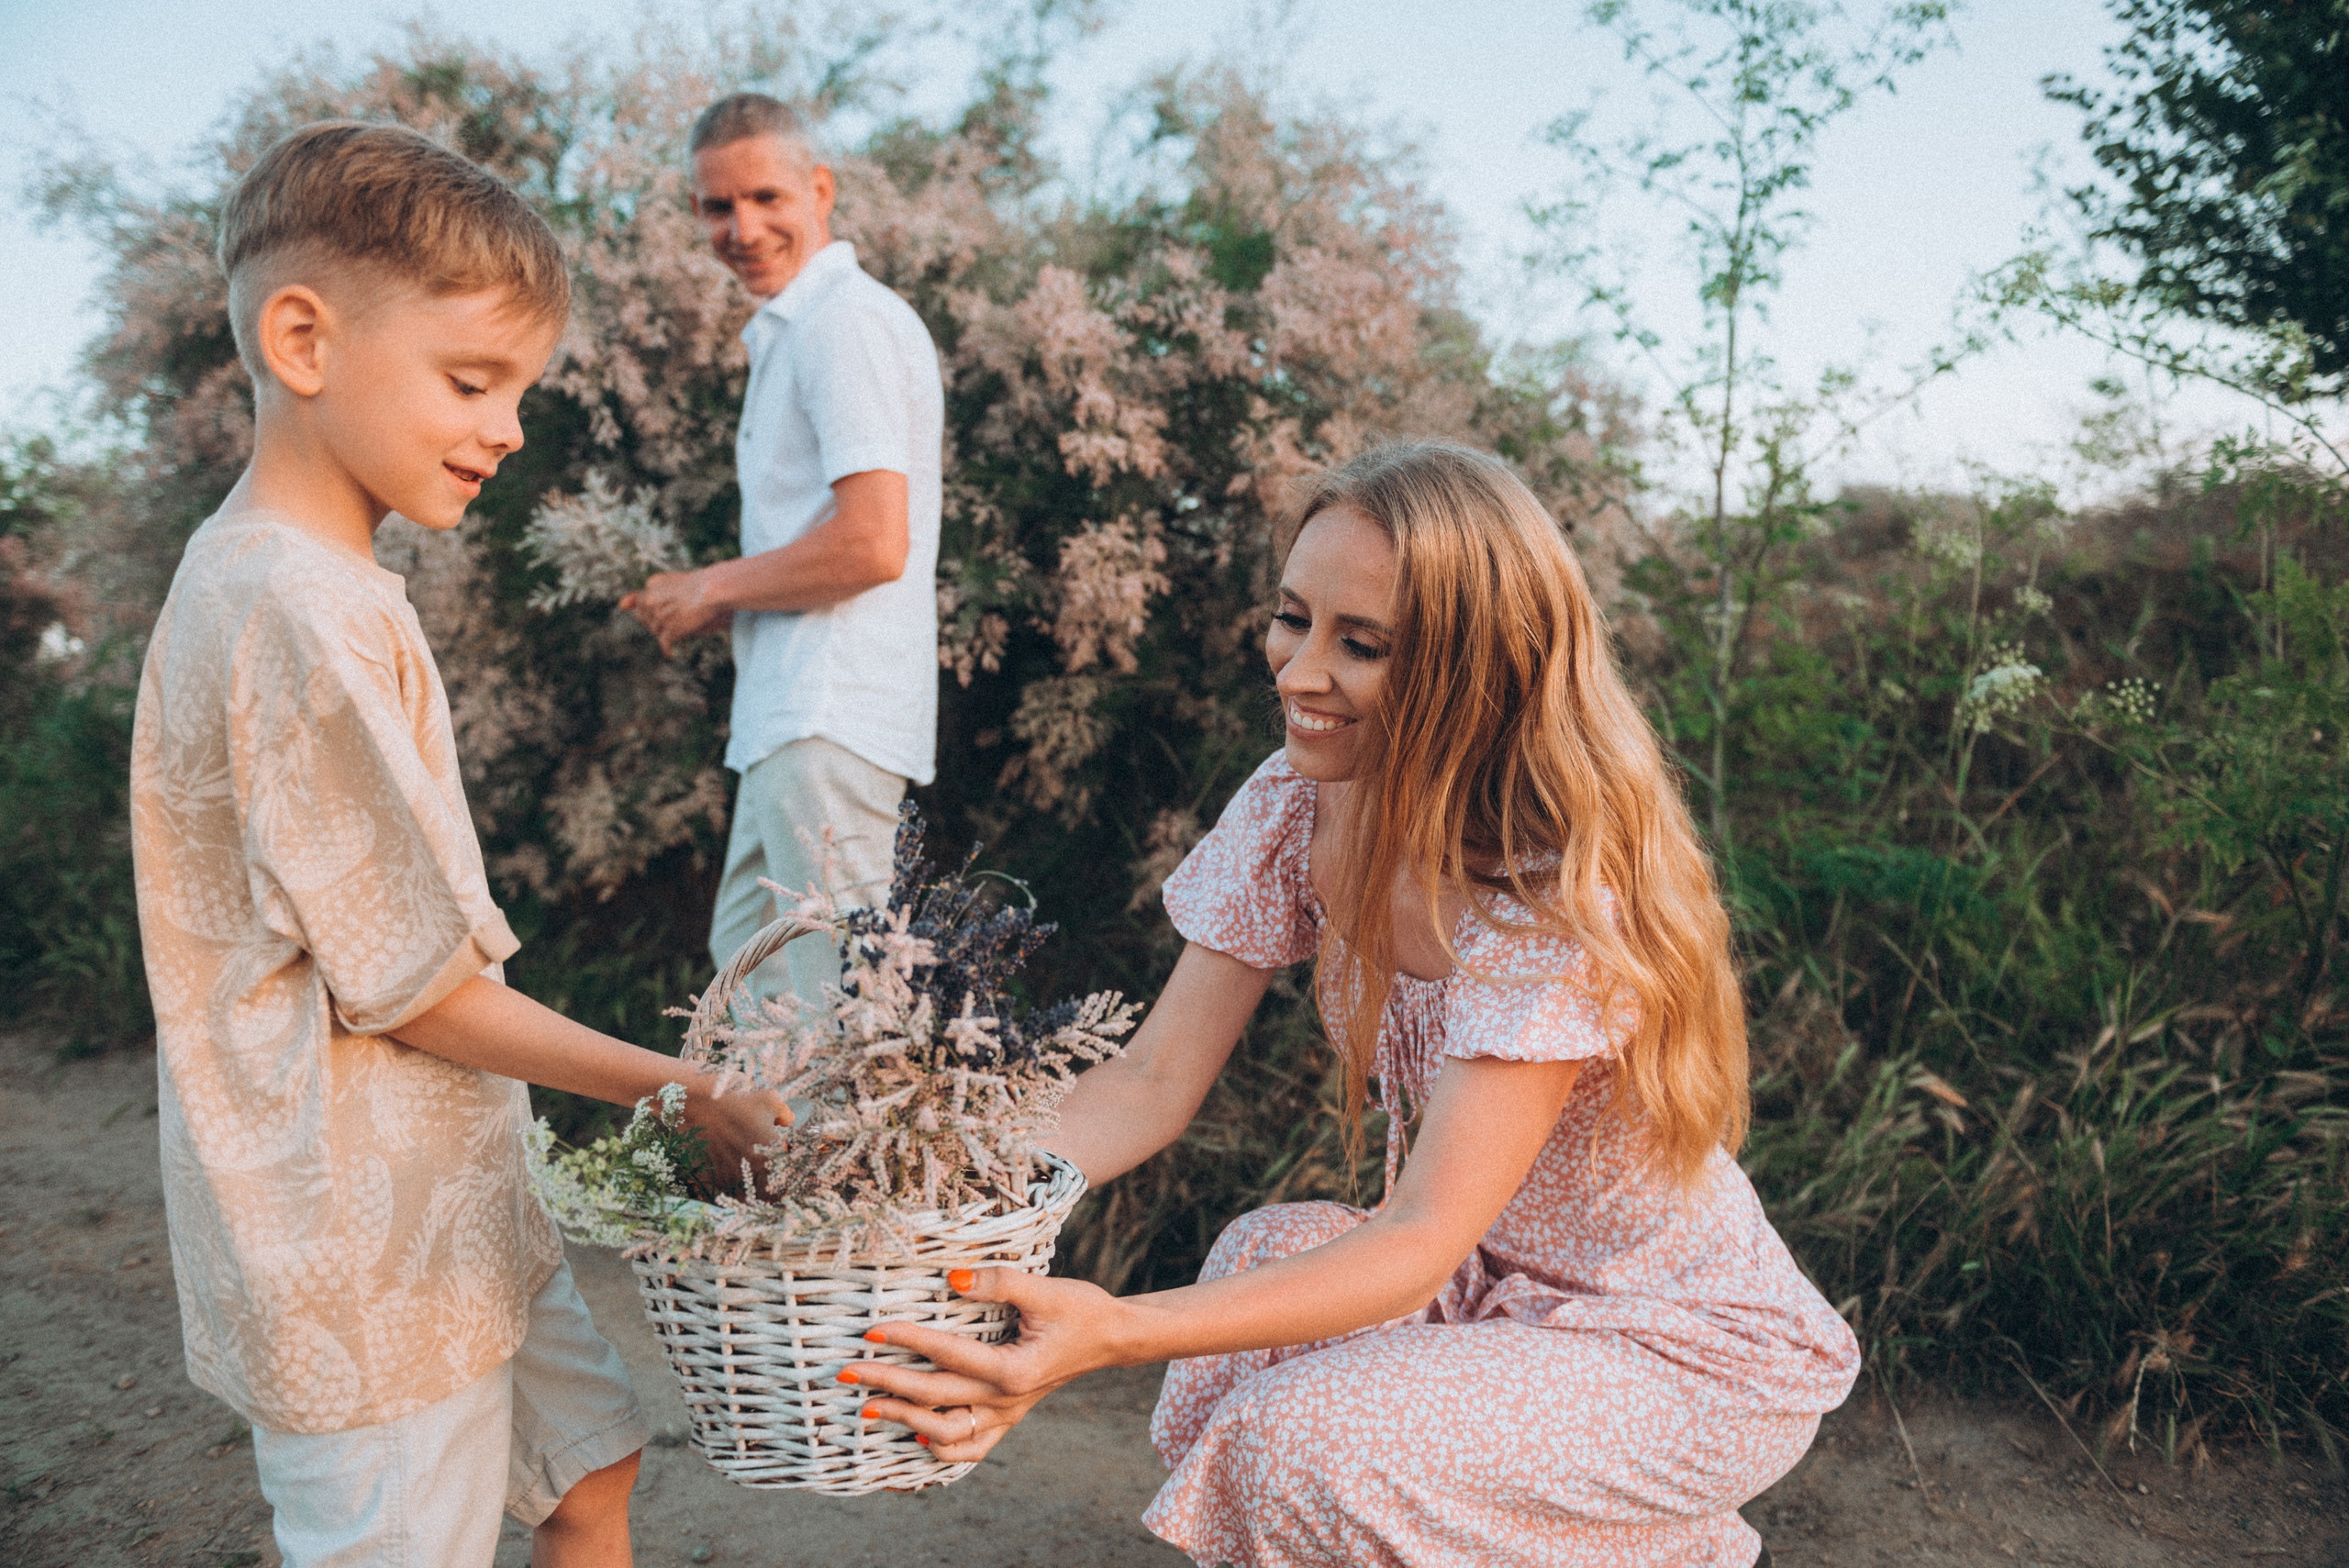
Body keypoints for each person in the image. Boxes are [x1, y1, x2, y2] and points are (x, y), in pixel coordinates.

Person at [845, 443, 1861, 1566]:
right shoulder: (1299, 800)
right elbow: (1149, 1079)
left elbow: (1420, 1235)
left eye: (1360, 644)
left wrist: (1115, 1330)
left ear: (1482, 670)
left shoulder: (1549, 894)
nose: (1296, 670)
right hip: (1496, 1289)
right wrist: (906, 1178)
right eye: (1293, 618)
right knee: (1258, 1250)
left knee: (1299, 1445)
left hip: (1677, 1345)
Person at [128, 121, 787, 1568]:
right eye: (471, 379)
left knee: (588, 1467)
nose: (507, 426)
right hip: (352, 1239)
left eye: (521, 391)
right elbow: (419, 988)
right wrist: (681, 1090)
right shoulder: (292, 612)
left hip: (446, 1195)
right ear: (302, 338)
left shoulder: (311, 583)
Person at [620, 92, 944, 1006]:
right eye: (717, 207)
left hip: (826, 717)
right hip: (788, 721)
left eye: (766, 198)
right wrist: (705, 593)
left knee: (837, 1021)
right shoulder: (794, 332)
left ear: (821, 190)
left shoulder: (842, 324)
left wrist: (709, 588)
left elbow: (873, 542)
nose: (743, 228)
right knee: (753, 989)